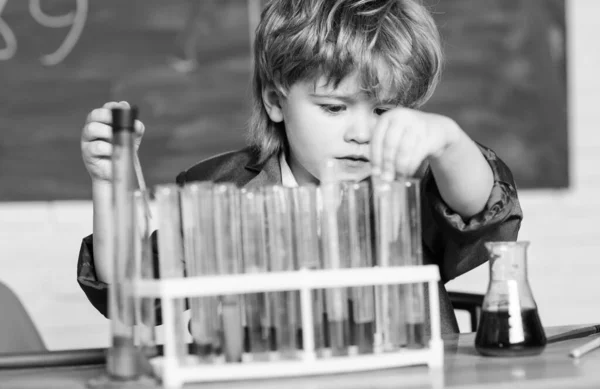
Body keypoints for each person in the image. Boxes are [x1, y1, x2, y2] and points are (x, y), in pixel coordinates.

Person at [78, 0, 522, 333]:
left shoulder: (410, 185)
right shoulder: (219, 190)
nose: (362, 133)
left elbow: (480, 206)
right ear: (275, 101)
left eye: (384, 112)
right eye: (333, 108)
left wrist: (449, 142)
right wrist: (111, 182)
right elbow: (129, 292)